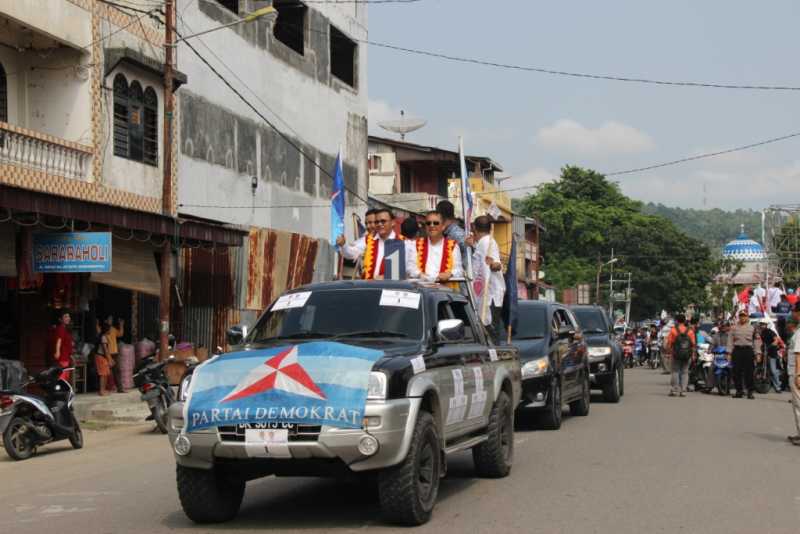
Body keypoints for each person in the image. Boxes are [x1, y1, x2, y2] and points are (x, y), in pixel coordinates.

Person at [469, 215, 505, 341]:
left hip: (490, 297)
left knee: (490, 333)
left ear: (475, 229)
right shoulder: (482, 242)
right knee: (486, 332)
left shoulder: (488, 242)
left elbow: (495, 264)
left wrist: (495, 265)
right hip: (486, 295)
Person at [339, 208, 402, 280]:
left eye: (372, 222)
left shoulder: (401, 242)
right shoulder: (367, 240)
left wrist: (385, 277)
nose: (368, 227)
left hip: (389, 288)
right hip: (369, 287)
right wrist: (343, 245)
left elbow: (406, 271)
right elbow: (351, 253)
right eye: (366, 223)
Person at [407, 211, 463, 283]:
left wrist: (450, 274)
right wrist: (419, 274)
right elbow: (410, 267)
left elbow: (459, 270)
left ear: (443, 226)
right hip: (422, 289)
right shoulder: (416, 244)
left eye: (436, 223)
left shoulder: (453, 246)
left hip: (445, 291)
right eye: (428, 223)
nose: (432, 226)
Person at [726, 309, 762, 399]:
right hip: (737, 351)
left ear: (747, 317)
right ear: (739, 317)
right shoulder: (733, 328)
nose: (743, 317)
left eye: (744, 316)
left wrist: (758, 353)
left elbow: (757, 342)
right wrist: (729, 353)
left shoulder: (752, 328)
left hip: (748, 351)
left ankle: (750, 391)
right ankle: (739, 391)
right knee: (736, 372)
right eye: (741, 315)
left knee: (749, 372)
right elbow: (730, 341)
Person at [666, 314, 696, 397]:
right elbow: (693, 344)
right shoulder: (690, 331)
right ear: (684, 321)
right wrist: (693, 355)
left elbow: (669, 343)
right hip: (687, 355)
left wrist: (668, 353)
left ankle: (674, 390)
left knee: (675, 371)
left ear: (676, 321)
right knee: (685, 372)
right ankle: (683, 391)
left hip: (675, 354)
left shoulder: (673, 330)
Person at [786, 315, 800, 445]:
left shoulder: (798, 335)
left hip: (796, 373)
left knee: (798, 405)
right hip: (794, 372)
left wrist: (798, 375)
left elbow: (798, 355)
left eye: (788, 322)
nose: (786, 325)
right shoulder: (795, 335)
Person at [759, 321, 783, 393]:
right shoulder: (761, 333)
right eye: (761, 324)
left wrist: (772, 345)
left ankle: (778, 384)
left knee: (773, 370)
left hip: (772, 353)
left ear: (766, 325)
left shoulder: (770, 332)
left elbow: (776, 340)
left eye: (763, 324)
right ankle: (777, 387)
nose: (762, 326)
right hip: (765, 352)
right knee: (767, 370)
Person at [104, 316, 126, 393]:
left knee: (117, 371)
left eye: (112, 320)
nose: (111, 321)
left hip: (115, 352)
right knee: (107, 372)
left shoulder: (113, 329)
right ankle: (107, 388)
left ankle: (120, 388)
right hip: (107, 353)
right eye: (109, 319)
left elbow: (120, 334)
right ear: (106, 320)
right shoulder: (104, 330)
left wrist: (121, 325)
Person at [52, 312, 74, 382]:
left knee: (66, 375)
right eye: (65, 317)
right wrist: (57, 352)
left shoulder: (65, 329)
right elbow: (59, 341)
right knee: (63, 375)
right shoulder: (61, 328)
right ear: (60, 319)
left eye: (69, 316)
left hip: (66, 356)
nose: (68, 318)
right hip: (62, 356)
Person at [95, 323, 112, 396]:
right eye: (110, 329)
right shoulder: (103, 337)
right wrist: (110, 359)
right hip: (101, 356)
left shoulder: (103, 336)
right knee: (103, 374)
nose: (110, 330)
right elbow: (105, 349)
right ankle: (101, 391)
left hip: (103, 357)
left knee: (106, 373)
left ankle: (103, 389)